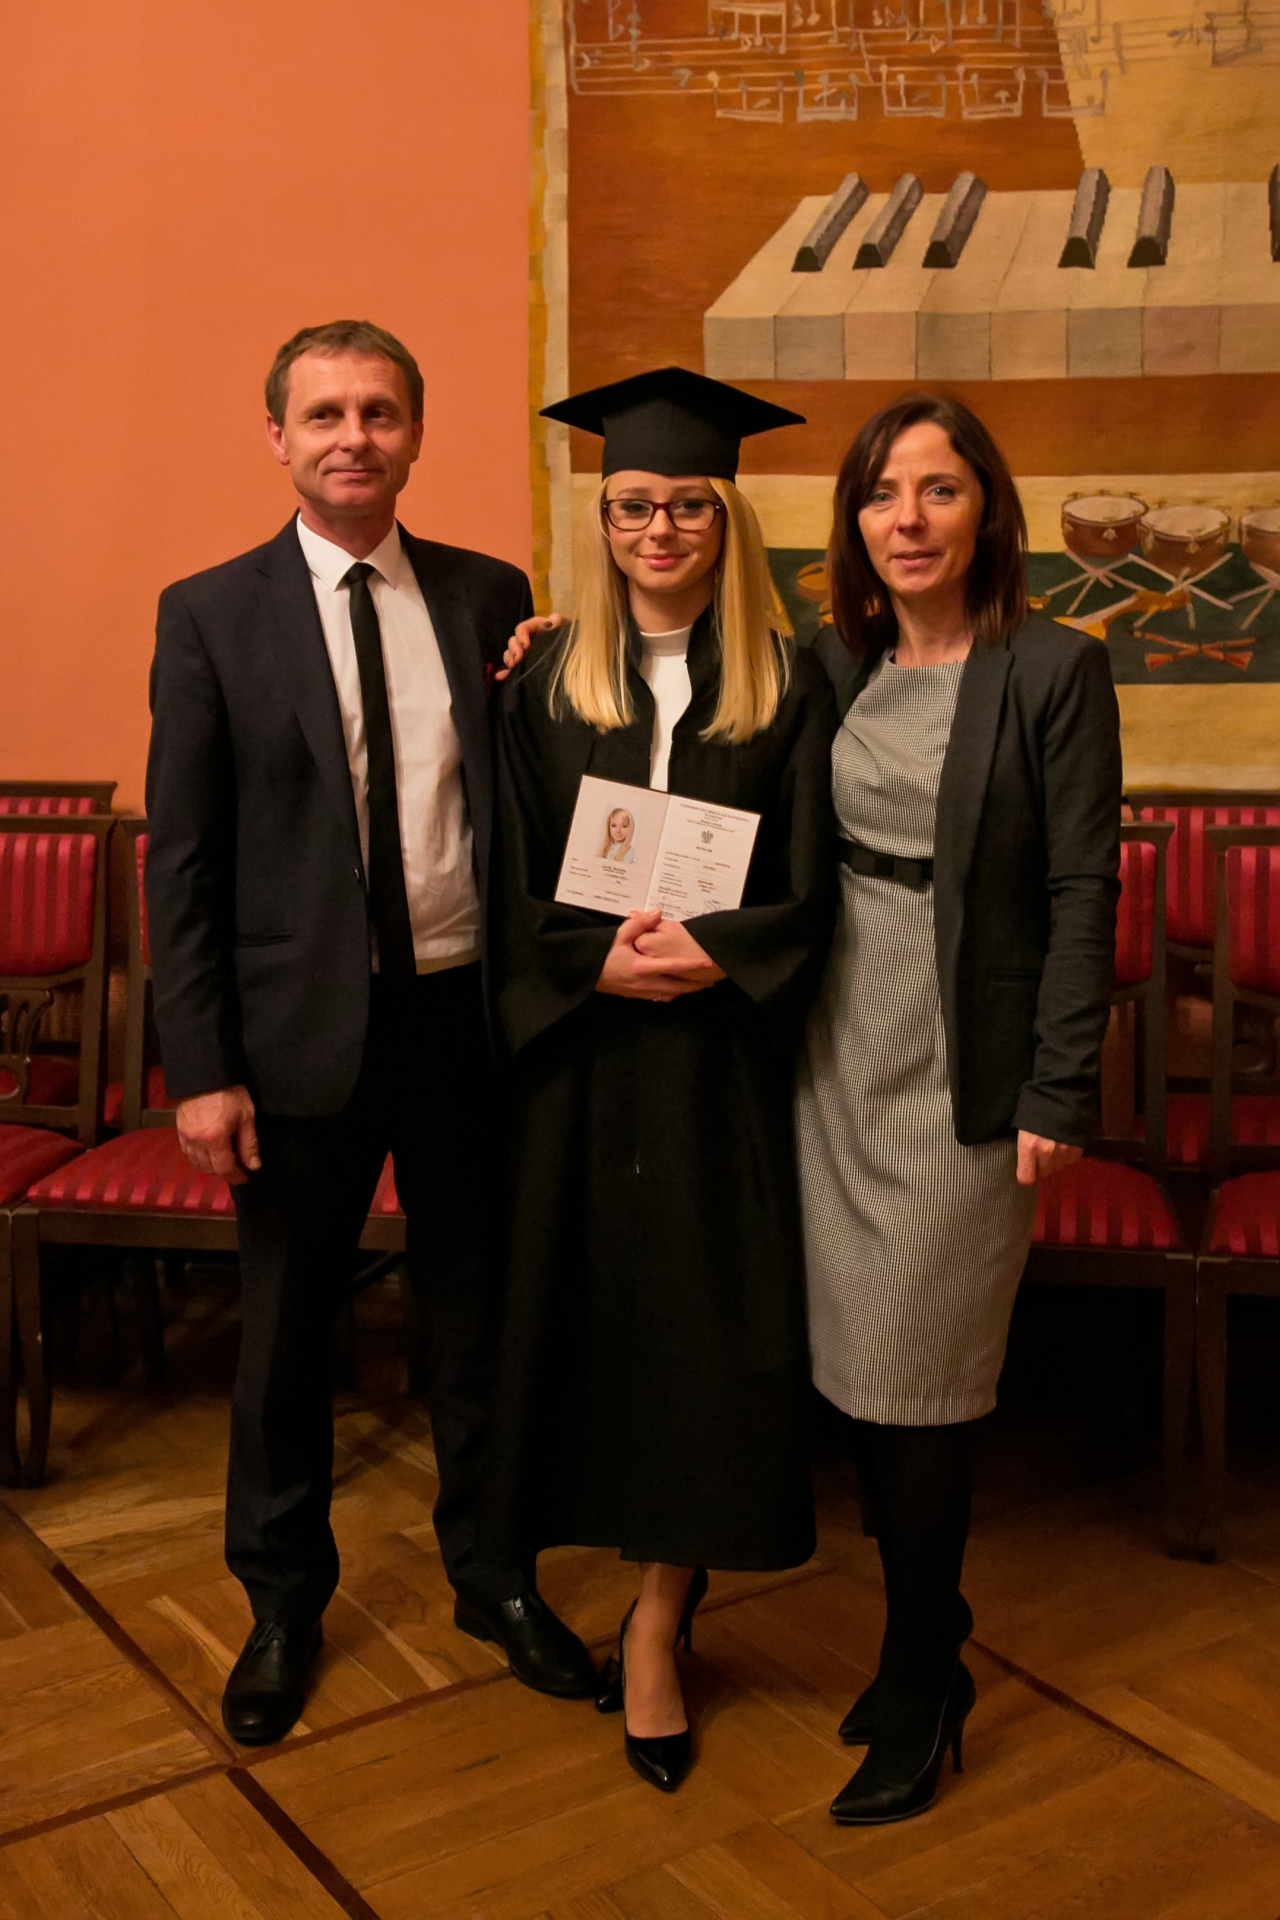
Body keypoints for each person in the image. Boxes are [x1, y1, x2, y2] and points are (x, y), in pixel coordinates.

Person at [145, 319, 596, 1747]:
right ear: (278, 436)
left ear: (415, 433)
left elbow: (529, 791)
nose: (355, 436)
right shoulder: (209, 614)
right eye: (327, 413)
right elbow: (184, 860)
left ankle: (492, 1574)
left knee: (477, 1319)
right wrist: (202, 1069)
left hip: (463, 1018)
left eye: (381, 412)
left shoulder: (487, 595)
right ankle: (282, 1602)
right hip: (296, 1040)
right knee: (286, 1337)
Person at [487, 367, 837, 1794]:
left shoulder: (792, 681)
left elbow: (818, 878)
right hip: (581, 1067)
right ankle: (572, 1566)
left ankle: (658, 1616)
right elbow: (505, 870)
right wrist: (588, 969)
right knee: (587, 1322)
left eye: (690, 504)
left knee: (703, 1337)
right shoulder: (545, 681)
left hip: (717, 1070)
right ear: (604, 518)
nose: (659, 529)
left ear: (728, 518)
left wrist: (721, 956)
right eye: (633, 505)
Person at [796, 393, 1121, 1824]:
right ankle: (931, 1632)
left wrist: (1060, 1082)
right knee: (860, 1375)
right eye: (882, 494)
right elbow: (688, 695)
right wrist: (545, 644)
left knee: (920, 1382)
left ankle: (924, 1672)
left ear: (987, 508)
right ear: (856, 523)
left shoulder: (1054, 666)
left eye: (937, 490)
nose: (908, 519)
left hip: (966, 1068)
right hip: (830, 1058)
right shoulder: (833, 660)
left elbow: (1081, 887)